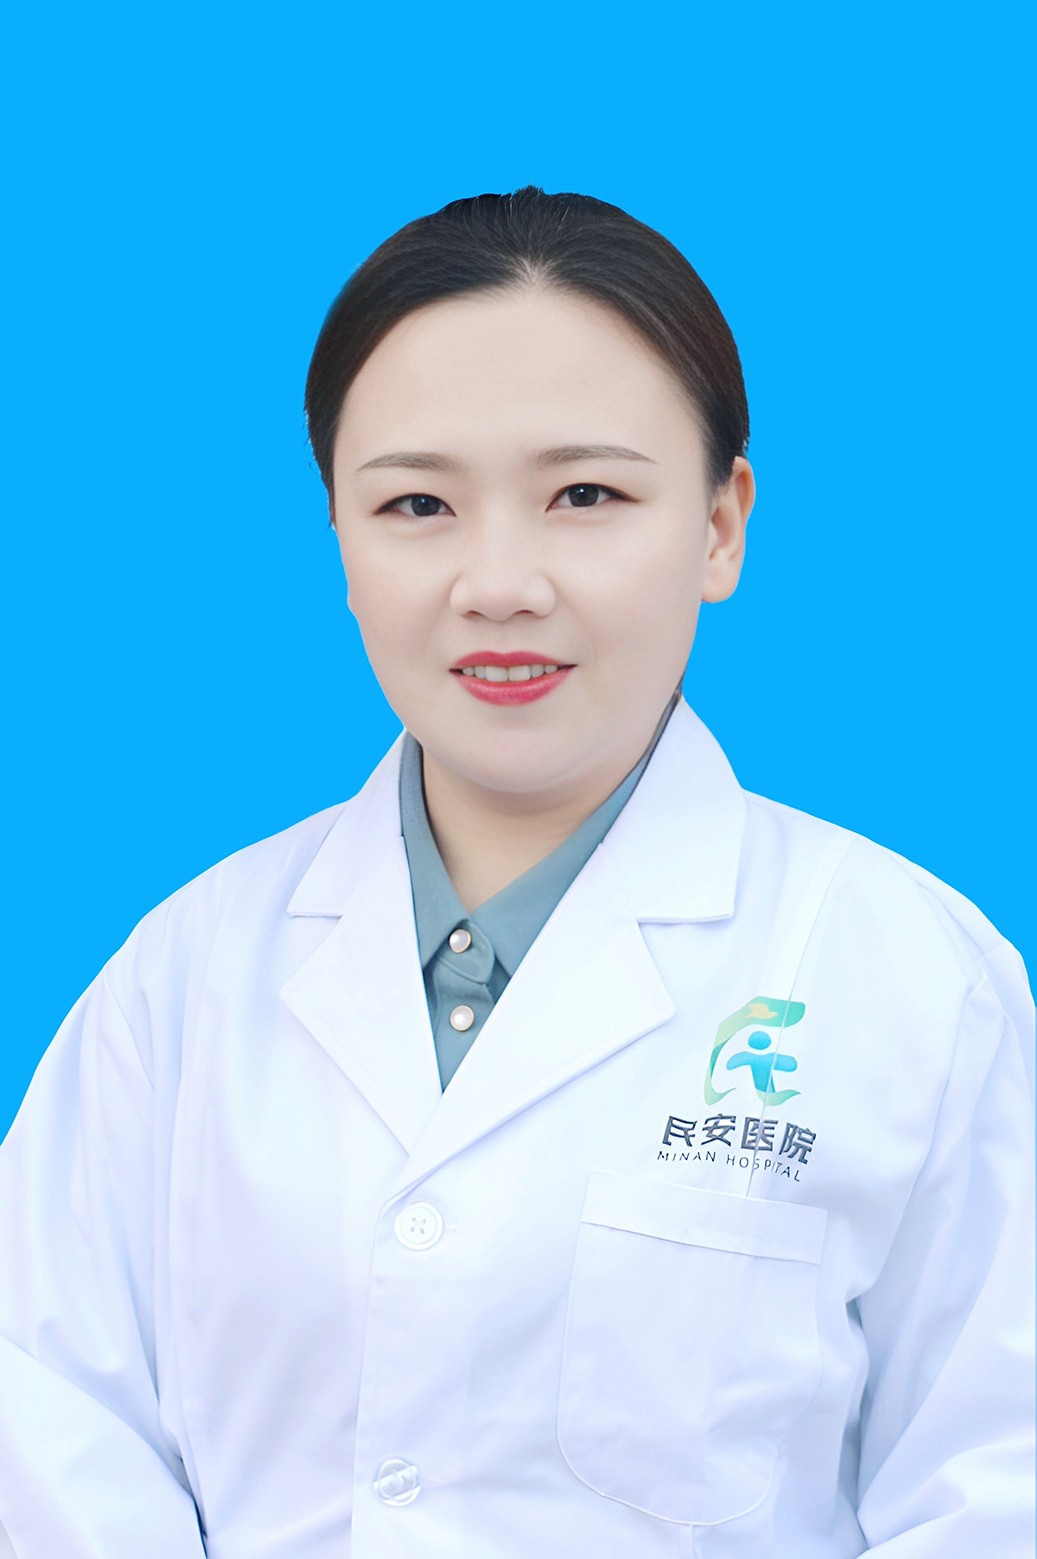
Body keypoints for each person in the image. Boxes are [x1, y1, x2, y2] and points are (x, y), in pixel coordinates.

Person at [0, 185, 1032, 1558]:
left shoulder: (909, 976)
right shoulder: (185, 977)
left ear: (720, 526)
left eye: (585, 495)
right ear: (340, 537)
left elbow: (995, 1484)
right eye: (417, 502)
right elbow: (44, 1423)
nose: (497, 583)